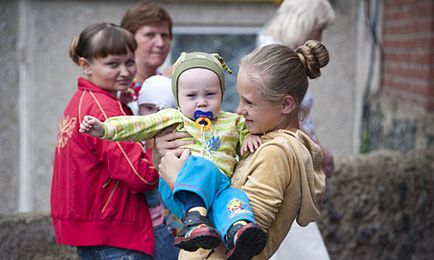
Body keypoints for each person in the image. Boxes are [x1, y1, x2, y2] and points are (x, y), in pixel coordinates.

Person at [79, 52, 267, 259]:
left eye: (210, 94)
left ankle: (238, 232)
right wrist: (105, 129)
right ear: (178, 98)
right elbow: (138, 125)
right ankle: (194, 217)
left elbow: (248, 132)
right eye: (191, 96)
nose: (202, 102)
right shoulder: (173, 117)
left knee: (234, 197)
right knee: (202, 167)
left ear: (222, 94)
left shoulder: (233, 122)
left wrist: (251, 137)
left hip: (218, 187)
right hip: (177, 184)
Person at [154, 40, 329, 259]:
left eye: (249, 103)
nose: (239, 110)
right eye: (239, 99)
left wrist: (179, 184)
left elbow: (242, 248)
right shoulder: (262, 140)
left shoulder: (276, 153)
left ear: (286, 105)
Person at [50, 23, 159, 259]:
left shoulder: (82, 101)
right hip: (116, 233)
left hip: (92, 230)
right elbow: (143, 176)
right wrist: (157, 139)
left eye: (129, 62)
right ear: (86, 66)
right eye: (113, 64)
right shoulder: (105, 110)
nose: (125, 71)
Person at [256, 1, 336, 259]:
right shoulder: (275, 56)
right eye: (319, 28)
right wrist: (319, 150)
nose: (321, 36)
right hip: (286, 160)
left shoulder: (288, 53)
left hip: (296, 158)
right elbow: (282, 116)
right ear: (306, 22)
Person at [137, 75, 180, 260]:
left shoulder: (178, 141)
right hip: (143, 230)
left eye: (164, 110)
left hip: (175, 226)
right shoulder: (134, 142)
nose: (156, 115)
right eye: (148, 108)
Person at [120, 1, 173, 114]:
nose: (160, 43)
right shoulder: (119, 86)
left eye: (164, 36)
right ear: (129, 39)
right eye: (150, 35)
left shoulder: (172, 83)